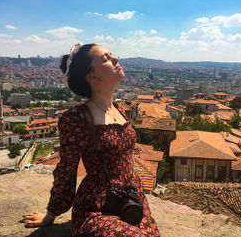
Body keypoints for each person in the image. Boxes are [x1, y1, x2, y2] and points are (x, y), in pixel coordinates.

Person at [19, 43, 161, 236]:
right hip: (98, 208)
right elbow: (66, 170)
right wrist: (50, 215)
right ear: (93, 77)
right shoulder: (76, 118)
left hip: (132, 203)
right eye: (106, 59)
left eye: (111, 56)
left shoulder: (119, 109)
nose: (116, 59)